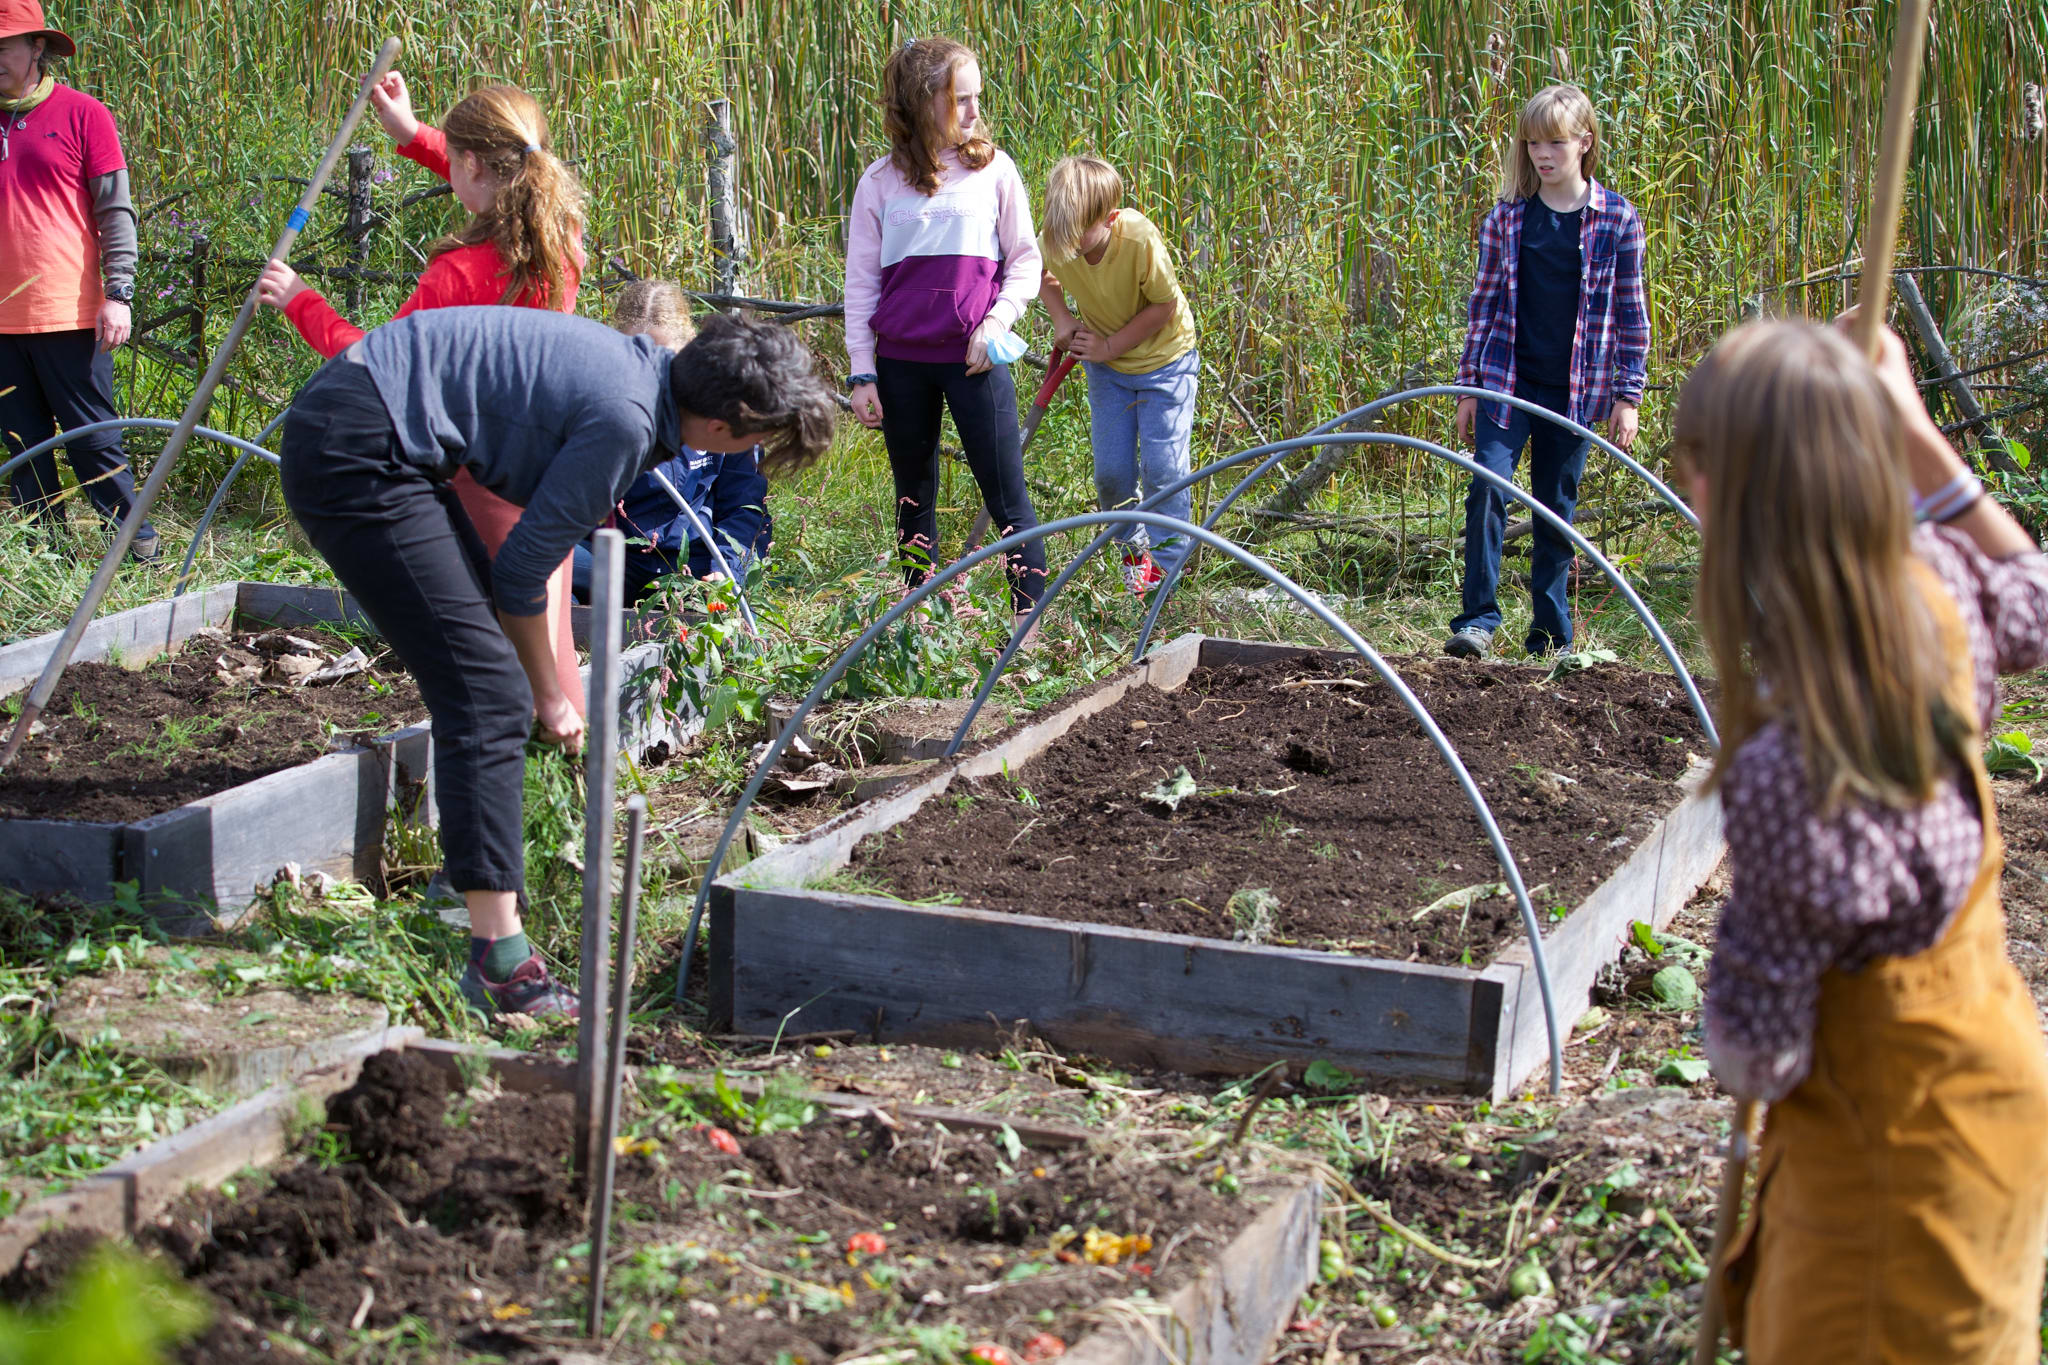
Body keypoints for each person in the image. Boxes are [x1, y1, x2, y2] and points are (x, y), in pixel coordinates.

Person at [279, 307, 837, 1017]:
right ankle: (500, 964)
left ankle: (466, 896)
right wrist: (550, 697)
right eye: (758, 438)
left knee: (483, 674)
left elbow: (520, 554)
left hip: (376, 428)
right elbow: (519, 574)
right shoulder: (627, 418)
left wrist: (543, 674)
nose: (753, 451)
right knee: (490, 698)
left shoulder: (641, 378)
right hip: (356, 449)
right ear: (723, 428)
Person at [1685, 318, 2048, 1361]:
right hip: (1990, 1088)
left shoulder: (1785, 768)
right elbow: (2035, 597)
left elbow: (1758, 1051)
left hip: (1881, 1166)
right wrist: (1919, 434)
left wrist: (1732, 1028)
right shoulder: (1936, 591)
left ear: (1718, 494)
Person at [255, 76, 588, 714]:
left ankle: (533, 778)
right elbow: (505, 167)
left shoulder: (455, 276)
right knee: (554, 638)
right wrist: (412, 136)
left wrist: (301, 301)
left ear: (470, 163)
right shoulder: (561, 237)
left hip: (483, 474)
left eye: (455, 158)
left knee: (508, 647)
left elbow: (376, 362)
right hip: (552, 457)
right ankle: (577, 785)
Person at [843, 36, 1045, 617]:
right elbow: (861, 285)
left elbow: (1025, 260)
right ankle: (919, 622)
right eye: (960, 99)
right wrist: (862, 372)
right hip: (901, 366)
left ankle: (1025, 630)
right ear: (920, 100)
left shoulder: (995, 172)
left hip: (974, 359)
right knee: (913, 497)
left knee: (1007, 496)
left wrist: (995, 323)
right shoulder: (879, 183)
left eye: (976, 97)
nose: (974, 112)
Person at [1446, 84, 1648, 659]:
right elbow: (1482, 308)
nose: (1543, 154)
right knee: (1488, 484)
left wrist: (1627, 395)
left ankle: (1550, 635)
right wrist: (1468, 385)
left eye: (1555, 142)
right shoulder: (1508, 220)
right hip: (1507, 382)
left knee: (1556, 509)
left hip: (1577, 391)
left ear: (1585, 143)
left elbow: (1633, 313)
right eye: (1533, 142)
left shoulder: (1616, 220)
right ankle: (1477, 623)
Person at [0, 0, 157, 559]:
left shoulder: (83, 113)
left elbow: (115, 211)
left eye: (3, 47)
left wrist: (119, 293)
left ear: (37, 47)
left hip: (68, 311)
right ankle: (49, 556)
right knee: (23, 446)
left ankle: (136, 551)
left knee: (94, 441)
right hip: (1, 323)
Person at [1037, 154, 1199, 596]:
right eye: (1060, 233)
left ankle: (1168, 581)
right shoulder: (1059, 236)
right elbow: (1040, 272)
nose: (1067, 245)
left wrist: (1108, 345)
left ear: (1109, 218)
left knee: (1163, 471)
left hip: (1167, 364)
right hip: (1108, 374)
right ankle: (1137, 578)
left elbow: (1164, 306)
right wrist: (1061, 319)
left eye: (1078, 236)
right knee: (1111, 477)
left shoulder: (1138, 238)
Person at [571, 281, 772, 604]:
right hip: (606, 555)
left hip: (688, 562)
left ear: (689, 352)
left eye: (664, 357)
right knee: (548, 581)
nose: (650, 371)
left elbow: (746, 507)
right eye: (636, 355)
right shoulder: (593, 400)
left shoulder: (724, 408)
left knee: (713, 605)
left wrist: (727, 569)